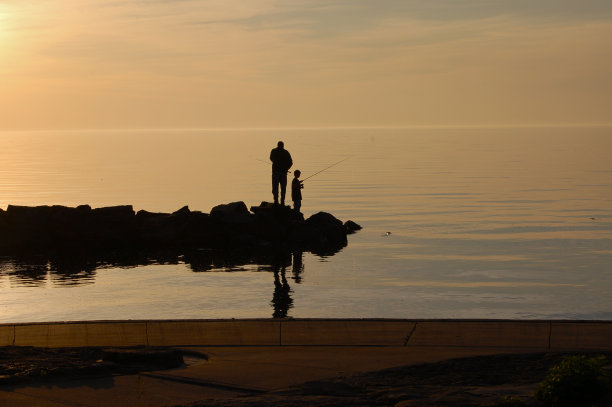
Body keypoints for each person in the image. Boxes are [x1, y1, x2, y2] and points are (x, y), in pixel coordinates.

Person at [269, 141, 293, 205]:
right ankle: (282, 201)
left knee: (275, 187)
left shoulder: (273, 151)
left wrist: (277, 162)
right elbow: (290, 162)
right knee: (283, 188)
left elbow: (271, 158)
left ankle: (276, 201)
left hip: (276, 172)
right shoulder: (286, 152)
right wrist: (286, 168)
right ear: (283, 145)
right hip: (283, 173)